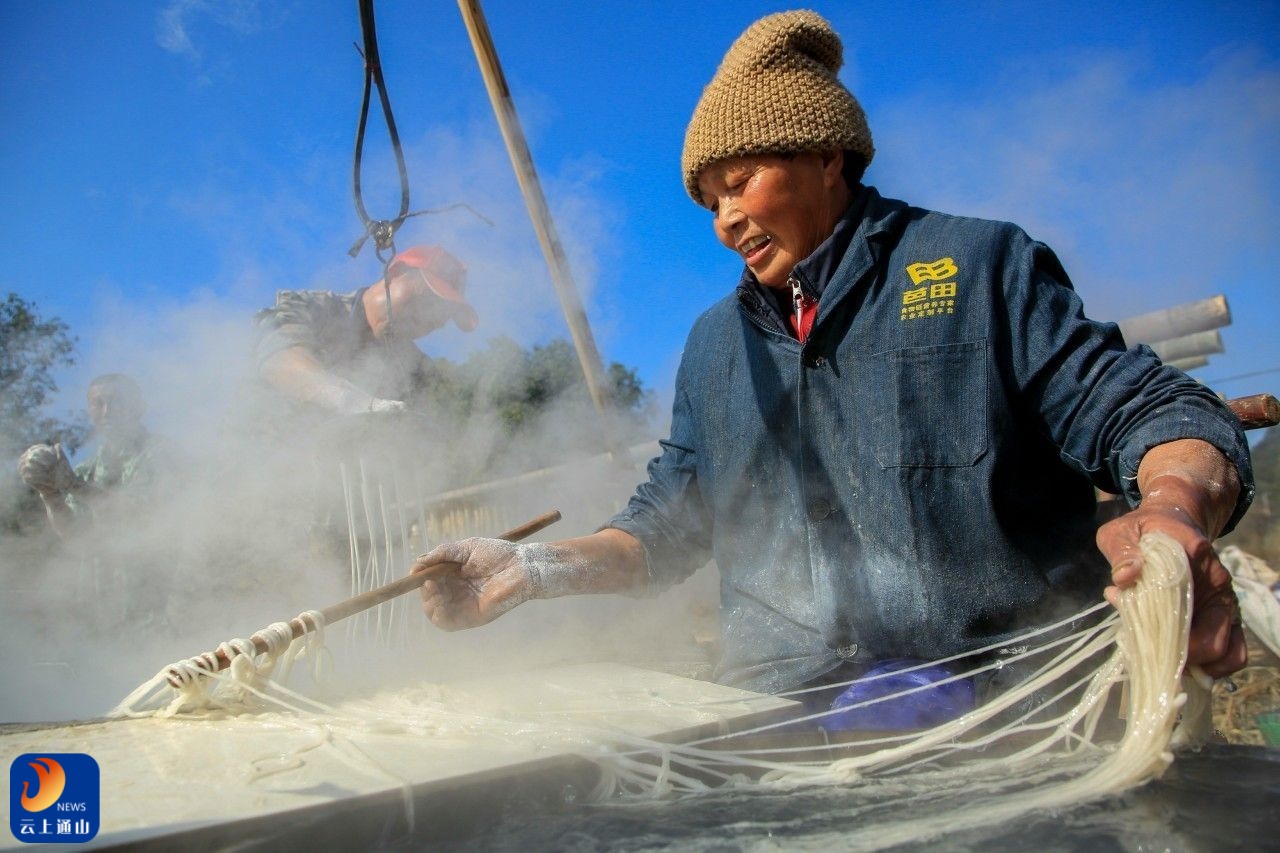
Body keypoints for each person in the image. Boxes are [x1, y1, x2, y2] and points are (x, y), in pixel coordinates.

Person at [411, 11, 1253, 706]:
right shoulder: (714, 347)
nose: (725, 219)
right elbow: (662, 529)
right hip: (784, 722)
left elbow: (1150, 412)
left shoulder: (979, 268)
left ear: (825, 156)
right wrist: (529, 568)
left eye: (741, 180)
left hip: (1008, 708)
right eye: (710, 200)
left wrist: (1173, 511)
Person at [252, 245, 476, 420]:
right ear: (396, 272)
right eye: (424, 303)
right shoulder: (313, 308)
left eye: (434, 322)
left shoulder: (416, 370)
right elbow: (279, 359)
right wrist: (349, 400)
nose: (421, 323)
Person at [17, 373, 178, 539]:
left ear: (138, 408)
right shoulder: (87, 470)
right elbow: (75, 534)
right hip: (101, 564)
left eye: (117, 401)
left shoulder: (163, 454)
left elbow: (143, 514)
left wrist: (74, 485)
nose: (107, 411)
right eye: (98, 404)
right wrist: (49, 493)